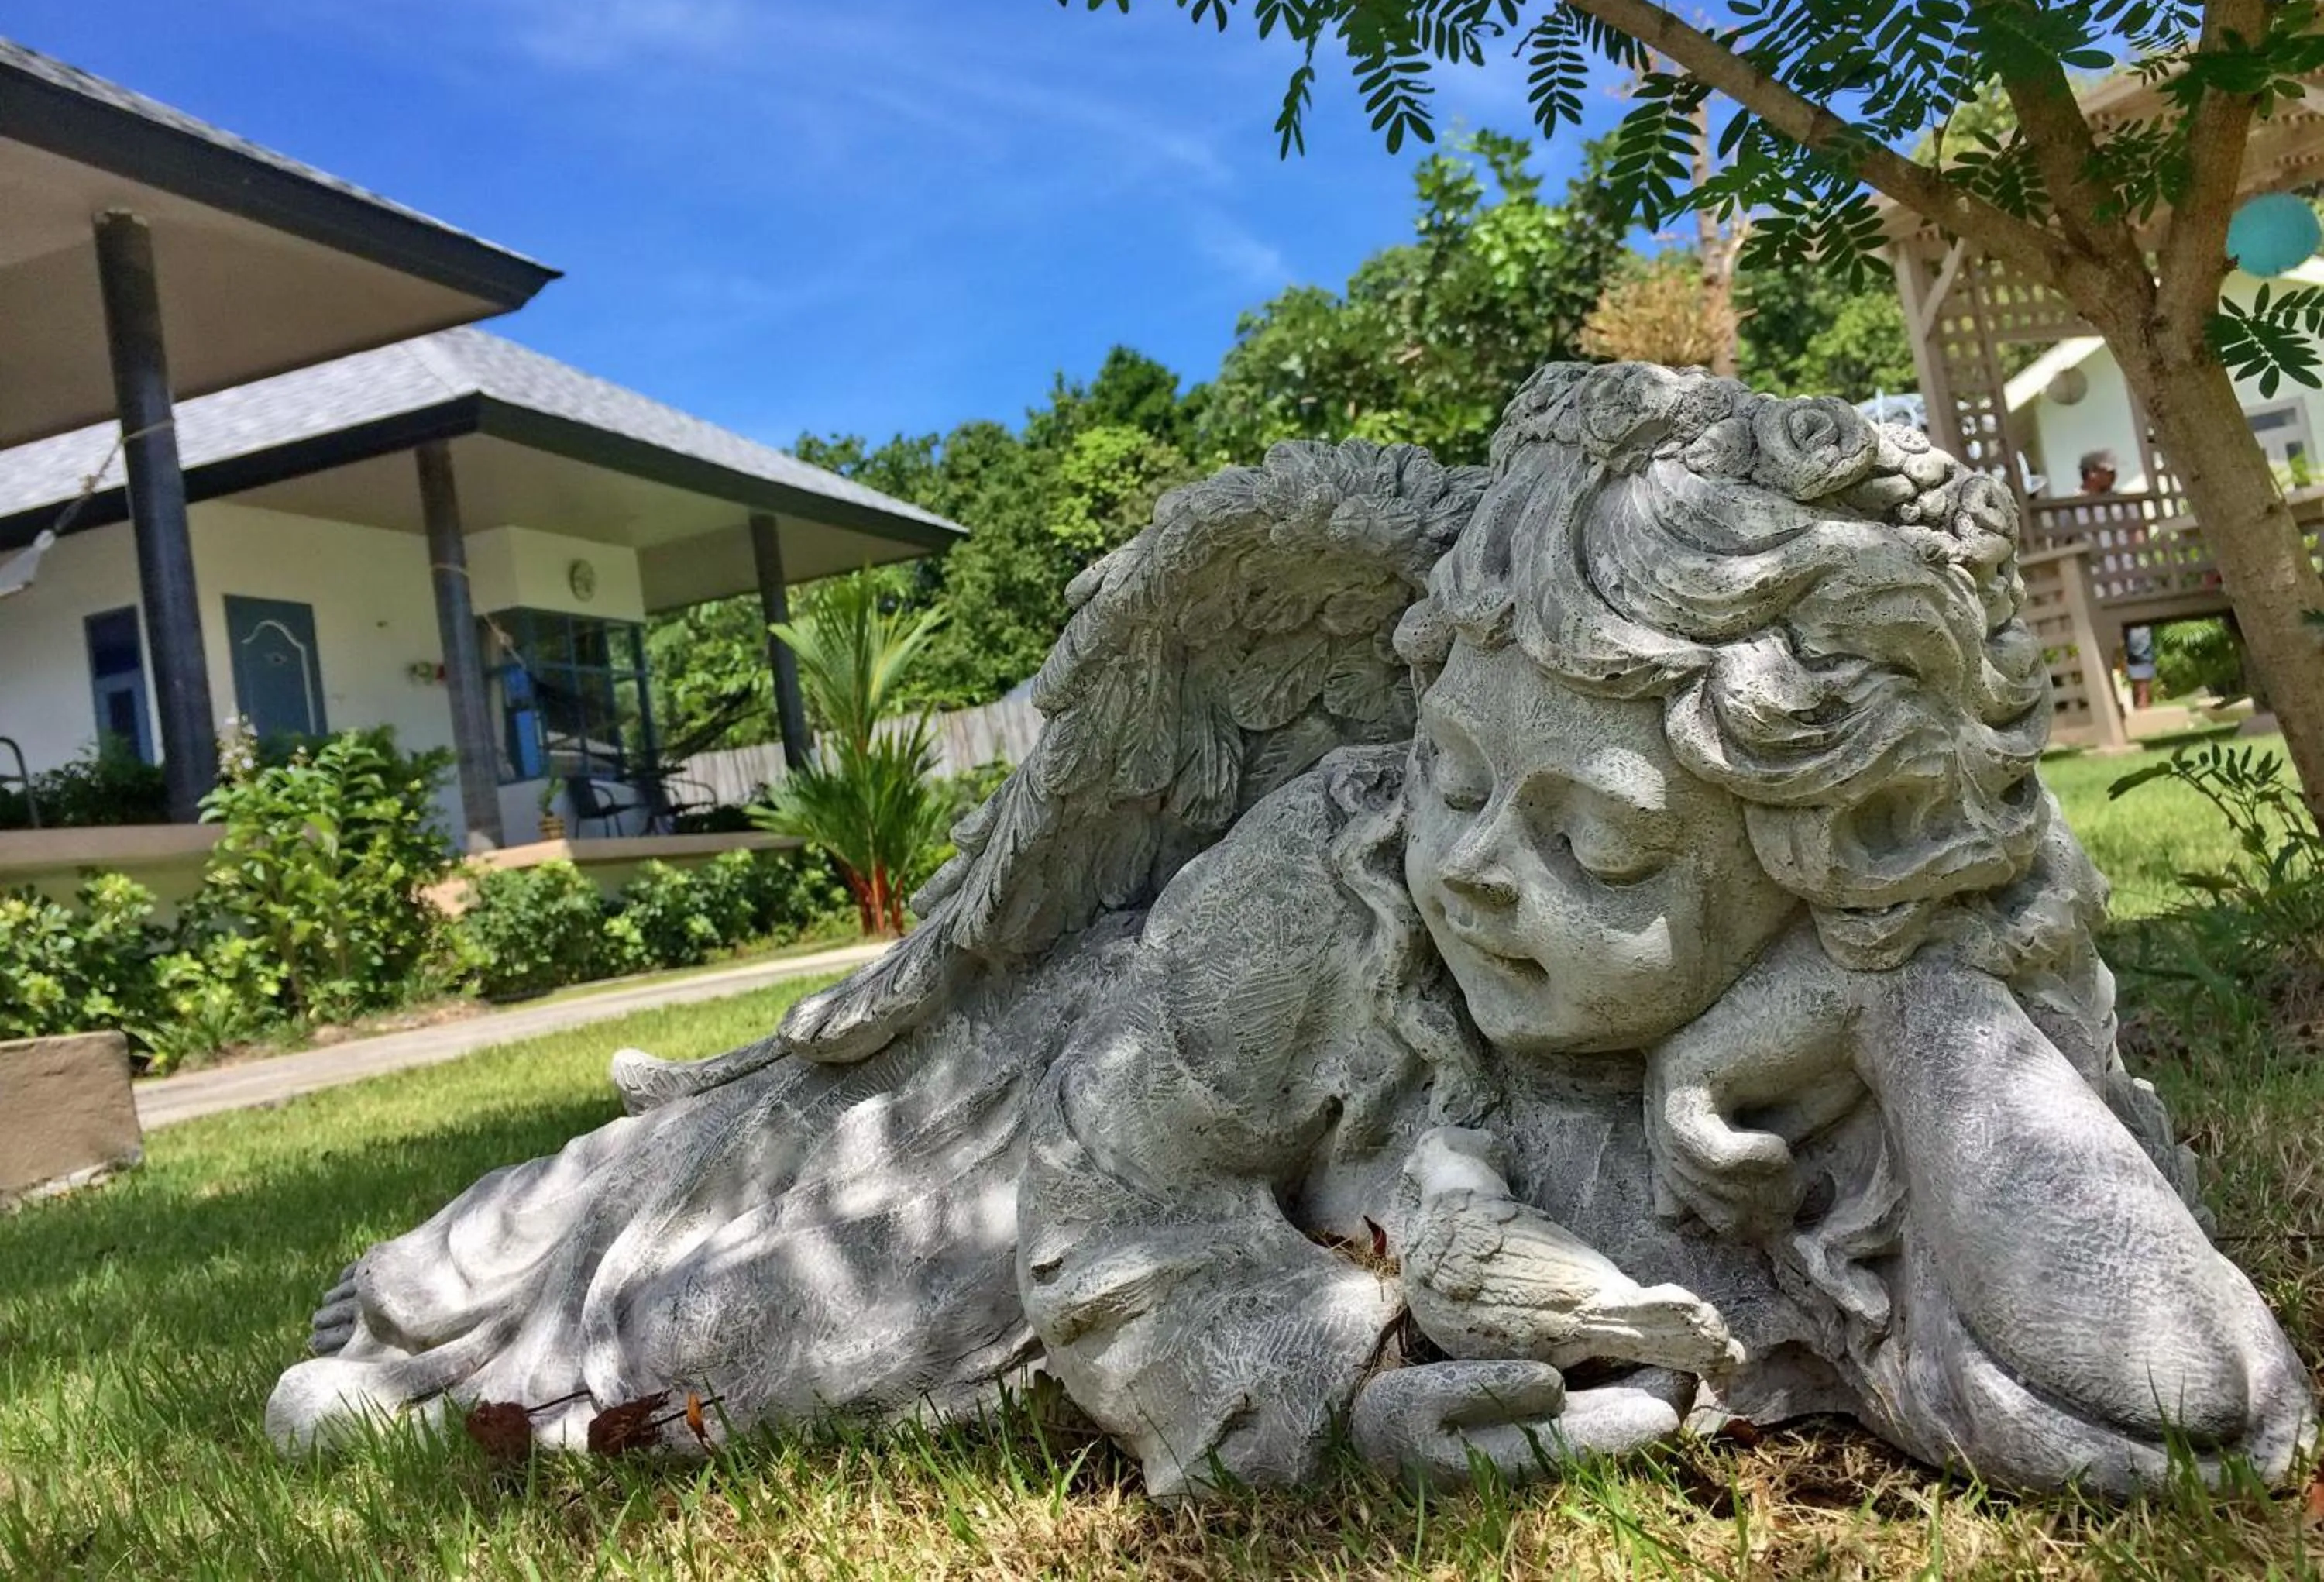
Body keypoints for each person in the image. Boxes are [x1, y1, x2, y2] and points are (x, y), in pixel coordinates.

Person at [270, 366, 2314, 1498]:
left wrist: (1896, 971)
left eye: (1600, 840)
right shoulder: (1332, 884)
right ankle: (455, 1288)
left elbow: (2177, 1398)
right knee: (727, 1308)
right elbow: (1109, 1184)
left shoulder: (1830, 1003)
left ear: (1809, 855)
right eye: (1462, 777)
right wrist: (1314, 1387)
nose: (1488, 869)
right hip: (1026, 1137)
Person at [2079, 449, 2157, 708]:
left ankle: (2143, 702)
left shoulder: (2123, 503)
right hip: (2098, 590)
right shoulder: (2072, 507)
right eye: (2107, 470)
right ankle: (2112, 705)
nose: (2113, 474)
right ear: (2092, 473)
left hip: (2130, 584)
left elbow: (2139, 535)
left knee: (2140, 641)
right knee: (2105, 648)